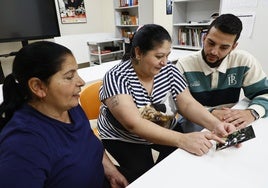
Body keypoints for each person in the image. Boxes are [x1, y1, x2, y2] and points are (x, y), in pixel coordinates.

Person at [97, 24, 237, 183]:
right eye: (158, 56)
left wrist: (216, 124)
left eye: (167, 56)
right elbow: (133, 124)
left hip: (163, 123)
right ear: (138, 52)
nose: (164, 62)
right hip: (125, 137)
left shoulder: (169, 70)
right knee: (146, 177)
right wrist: (182, 139)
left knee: (182, 164)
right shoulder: (116, 77)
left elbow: (187, 104)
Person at [0, 41, 128, 188]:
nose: (81, 81)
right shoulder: (23, 145)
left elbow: (88, 141)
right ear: (38, 86)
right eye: (69, 77)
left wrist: (111, 171)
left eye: (77, 73)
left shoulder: (70, 107)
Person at [176, 13, 268, 133]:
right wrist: (211, 113)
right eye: (211, 43)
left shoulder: (244, 61)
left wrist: (252, 113)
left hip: (229, 123)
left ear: (234, 47)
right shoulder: (184, 65)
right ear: (204, 38)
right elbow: (180, 105)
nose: (214, 51)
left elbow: (264, 93)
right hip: (195, 123)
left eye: (224, 47)